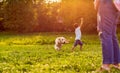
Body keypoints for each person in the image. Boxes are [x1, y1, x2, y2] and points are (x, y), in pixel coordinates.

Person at [94, 0, 120, 71]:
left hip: (107, 4)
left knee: (105, 34)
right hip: (116, 5)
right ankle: (116, 62)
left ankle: (106, 65)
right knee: (111, 35)